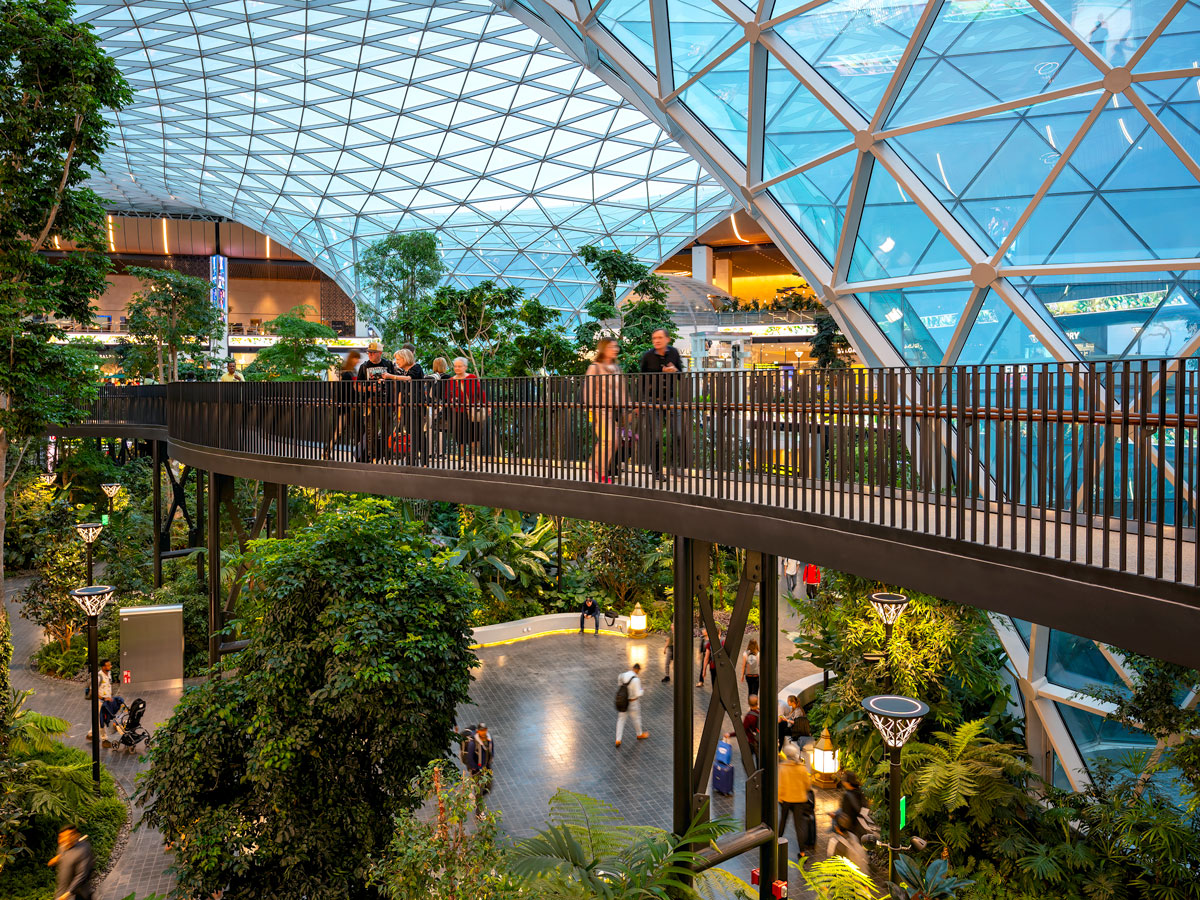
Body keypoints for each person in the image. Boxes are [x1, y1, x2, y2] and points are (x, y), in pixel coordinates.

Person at [639, 328, 686, 481]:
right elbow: (641, 379)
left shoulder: (674, 353)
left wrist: (674, 371)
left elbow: (681, 375)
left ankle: (677, 468)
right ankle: (658, 472)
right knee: (657, 437)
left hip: (671, 400)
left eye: (659, 337)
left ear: (668, 339)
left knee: (679, 433)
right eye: (654, 338)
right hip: (653, 401)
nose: (656, 341)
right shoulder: (647, 356)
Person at [584, 337, 627, 483]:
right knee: (609, 440)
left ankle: (597, 471)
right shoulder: (595, 367)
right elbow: (588, 391)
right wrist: (592, 411)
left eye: (616, 347)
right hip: (600, 410)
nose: (615, 349)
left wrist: (627, 407)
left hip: (613, 411)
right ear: (603, 349)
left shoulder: (617, 368)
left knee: (610, 442)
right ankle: (596, 471)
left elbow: (621, 391)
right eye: (611, 347)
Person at [355, 342, 399, 461]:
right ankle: (372, 455)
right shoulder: (364, 366)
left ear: (380, 353)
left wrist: (395, 401)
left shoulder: (388, 364)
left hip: (387, 402)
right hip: (371, 403)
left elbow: (394, 383)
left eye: (373, 352)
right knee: (371, 431)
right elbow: (357, 386)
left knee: (387, 431)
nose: (370, 354)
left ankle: (387, 455)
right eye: (369, 352)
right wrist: (368, 388)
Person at [446, 357, 486, 462]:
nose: (457, 368)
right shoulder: (451, 380)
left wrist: (487, 405)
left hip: (473, 410)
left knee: (474, 432)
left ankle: (474, 456)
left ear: (465, 367)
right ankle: (462, 456)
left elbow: (480, 393)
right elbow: (447, 396)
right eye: (455, 366)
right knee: (459, 433)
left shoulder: (472, 377)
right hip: (458, 411)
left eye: (460, 366)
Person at [778, 742, 815, 857]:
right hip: (799, 800)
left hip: (786, 800)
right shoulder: (801, 768)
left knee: (782, 821)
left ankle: (777, 844)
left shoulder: (782, 768)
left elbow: (780, 786)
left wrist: (780, 798)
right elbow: (808, 785)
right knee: (799, 826)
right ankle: (802, 852)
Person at [49, 825, 94, 900]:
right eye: (62, 837)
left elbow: (82, 874)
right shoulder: (62, 847)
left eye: (68, 835)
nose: (64, 839)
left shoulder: (84, 850)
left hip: (79, 894)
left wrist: (68, 892)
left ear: (75, 835)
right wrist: (58, 858)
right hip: (62, 890)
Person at [615, 662, 648, 747]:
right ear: (638, 670)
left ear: (632, 668)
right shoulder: (636, 680)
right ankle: (639, 734)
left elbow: (620, 685)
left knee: (621, 720)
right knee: (636, 719)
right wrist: (642, 690)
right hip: (633, 702)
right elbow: (637, 694)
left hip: (623, 702)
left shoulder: (621, 676)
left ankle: (618, 740)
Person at [462, 722, 495, 794]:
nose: (483, 732)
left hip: (486, 766)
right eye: (481, 730)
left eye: (484, 730)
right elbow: (470, 757)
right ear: (478, 731)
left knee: (488, 785)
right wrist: (475, 768)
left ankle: (481, 795)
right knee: (477, 787)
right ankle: (477, 799)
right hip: (476, 768)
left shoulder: (489, 739)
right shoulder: (473, 743)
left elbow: (491, 749)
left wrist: (491, 759)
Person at [86, 659, 114, 744]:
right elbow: (93, 690)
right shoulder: (98, 677)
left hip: (107, 701)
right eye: (109, 665)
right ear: (103, 667)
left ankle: (91, 734)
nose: (111, 666)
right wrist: (103, 698)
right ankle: (104, 739)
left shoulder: (109, 674)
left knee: (99, 719)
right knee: (102, 720)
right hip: (100, 702)